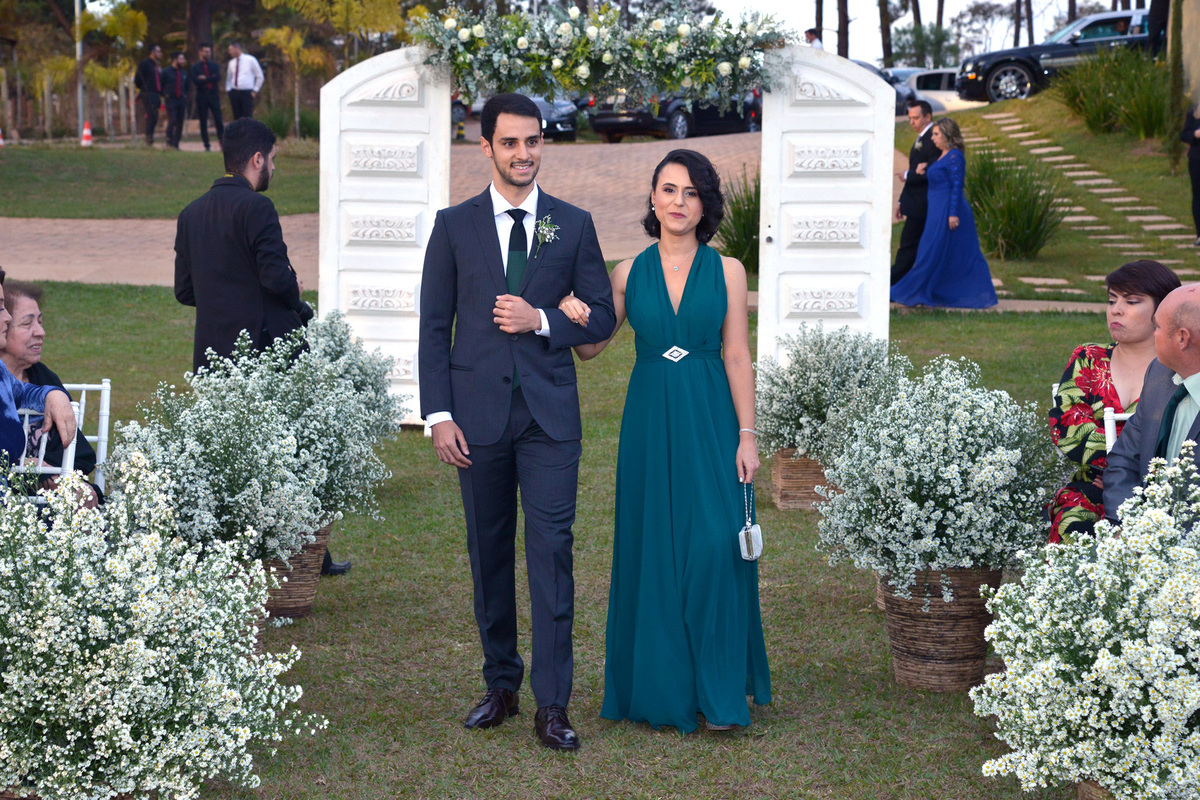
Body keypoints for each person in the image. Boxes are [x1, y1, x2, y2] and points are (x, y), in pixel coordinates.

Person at [417, 93, 616, 751]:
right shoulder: (452, 226)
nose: (524, 154)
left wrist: (547, 321)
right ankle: (501, 684)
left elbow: (603, 316)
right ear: (487, 148)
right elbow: (431, 327)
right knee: (489, 554)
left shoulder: (573, 223)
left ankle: (553, 705)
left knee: (552, 555)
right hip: (476, 420)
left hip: (551, 420)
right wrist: (439, 414)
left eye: (533, 142)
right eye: (510, 143)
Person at [558, 149, 772, 733]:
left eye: (692, 192)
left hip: (710, 415)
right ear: (653, 198)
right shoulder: (627, 273)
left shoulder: (728, 271)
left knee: (713, 546)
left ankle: (719, 692)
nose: (680, 202)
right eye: (670, 190)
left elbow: (736, 355)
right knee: (653, 548)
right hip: (650, 418)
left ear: (707, 205)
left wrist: (747, 435)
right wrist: (573, 310)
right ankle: (663, 691)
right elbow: (592, 348)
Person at [174, 118, 350, 576]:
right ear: (257, 159)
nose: (273, 167)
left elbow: (185, 292)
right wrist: (293, 289)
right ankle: (306, 555)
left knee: (225, 458)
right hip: (266, 350)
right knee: (292, 450)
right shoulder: (257, 209)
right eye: (272, 159)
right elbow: (275, 278)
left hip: (214, 353)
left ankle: (227, 557)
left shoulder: (191, 213)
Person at [1048, 260, 1180, 543]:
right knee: (1074, 518)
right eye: (1111, 301)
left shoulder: (1179, 369)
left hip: (1159, 492)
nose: (1116, 310)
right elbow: (1068, 424)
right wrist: (1112, 470)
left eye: (1131, 301)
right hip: (1093, 487)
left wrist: (1131, 476)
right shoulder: (1088, 359)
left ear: (1164, 308)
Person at [0, 280, 102, 506]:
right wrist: (37, 471)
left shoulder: (43, 379)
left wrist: (53, 393)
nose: (41, 332)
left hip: (49, 497)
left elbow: (81, 455)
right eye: (27, 324)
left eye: (40, 322)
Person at [1105, 283, 1200, 520]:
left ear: (1182, 339)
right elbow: (1124, 460)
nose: (1153, 332)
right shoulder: (1160, 373)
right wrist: (1131, 525)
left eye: (1157, 326)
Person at [891, 117, 997, 309]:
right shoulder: (942, 155)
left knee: (947, 252)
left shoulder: (956, 156)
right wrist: (924, 169)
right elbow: (939, 174)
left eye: (937, 134)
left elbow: (957, 186)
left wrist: (953, 214)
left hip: (948, 210)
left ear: (948, 135)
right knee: (929, 250)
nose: (933, 138)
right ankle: (921, 289)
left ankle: (915, 291)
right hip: (935, 209)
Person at [0, 269, 76, 473]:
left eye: (40, 322)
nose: (6, 317)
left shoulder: (10, 375)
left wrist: (52, 393)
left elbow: (21, 391)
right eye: (0, 308)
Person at [892, 101, 939, 285]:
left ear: (928, 117)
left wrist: (908, 174)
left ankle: (893, 283)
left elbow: (932, 172)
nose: (911, 122)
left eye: (916, 118)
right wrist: (901, 202)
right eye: (910, 118)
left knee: (908, 247)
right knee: (908, 246)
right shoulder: (921, 137)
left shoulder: (933, 139)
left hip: (923, 203)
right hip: (913, 201)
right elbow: (915, 170)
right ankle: (900, 282)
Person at [192, 43, 224, 151]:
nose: (208, 53)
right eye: (205, 51)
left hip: (213, 95)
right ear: (200, 52)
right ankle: (206, 144)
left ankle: (222, 142)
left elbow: (217, 78)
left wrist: (204, 77)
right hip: (202, 96)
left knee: (218, 120)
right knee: (203, 121)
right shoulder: (195, 67)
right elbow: (196, 80)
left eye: (209, 51)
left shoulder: (214, 66)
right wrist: (210, 77)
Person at [133, 44, 163, 146]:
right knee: (152, 115)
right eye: (158, 51)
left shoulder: (157, 66)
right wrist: (143, 90)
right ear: (152, 52)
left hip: (156, 93)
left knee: (155, 116)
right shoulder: (144, 64)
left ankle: (150, 137)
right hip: (147, 93)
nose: (160, 54)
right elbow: (137, 79)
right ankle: (149, 139)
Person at [226, 41, 263, 121]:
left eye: (231, 49)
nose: (229, 52)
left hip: (246, 93)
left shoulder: (250, 60)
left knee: (247, 117)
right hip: (234, 92)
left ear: (237, 48)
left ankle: (248, 133)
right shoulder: (231, 63)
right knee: (237, 118)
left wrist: (255, 90)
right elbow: (229, 78)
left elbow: (260, 76)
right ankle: (238, 133)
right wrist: (229, 90)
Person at [161, 51, 189, 150]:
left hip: (181, 100)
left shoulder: (184, 73)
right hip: (171, 100)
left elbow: (187, 87)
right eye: (181, 59)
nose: (183, 61)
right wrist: (165, 95)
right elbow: (161, 85)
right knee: (172, 121)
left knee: (180, 122)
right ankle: (169, 142)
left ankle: (176, 144)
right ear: (175, 60)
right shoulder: (166, 72)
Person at [1182, 102, 1200, 248]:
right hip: (1196, 159)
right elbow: (1184, 134)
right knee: (1198, 196)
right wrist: (1195, 134)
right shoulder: (1194, 111)